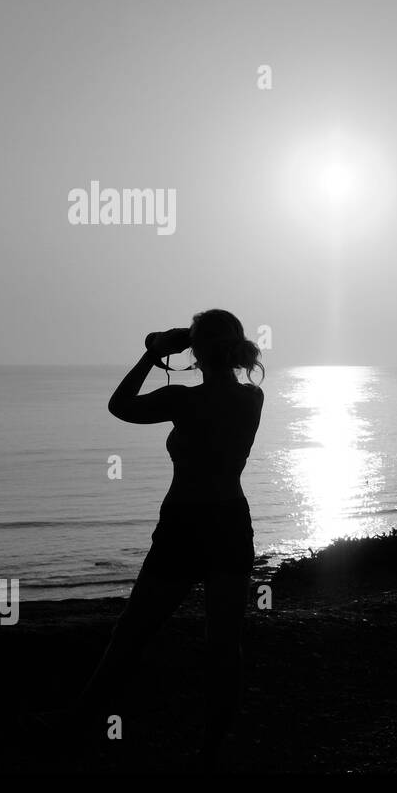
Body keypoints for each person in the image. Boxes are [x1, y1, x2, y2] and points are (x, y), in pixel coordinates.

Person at [79, 309, 264, 769]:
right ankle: (213, 747)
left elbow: (119, 405)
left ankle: (83, 720)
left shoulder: (183, 401)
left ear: (195, 350)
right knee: (223, 642)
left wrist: (153, 353)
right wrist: (192, 344)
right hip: (229, 523)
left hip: (183, 525)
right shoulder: (252, 398)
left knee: (133, 631)